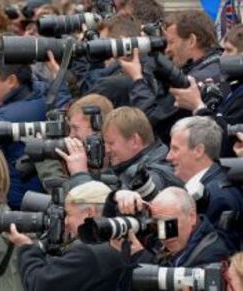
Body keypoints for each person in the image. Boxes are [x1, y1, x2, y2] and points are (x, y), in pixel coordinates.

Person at [120, 10, 222, 143]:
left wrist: (137, 79)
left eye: (171, 42)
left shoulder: (193, 82)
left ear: (191, 41)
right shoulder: (215, 65)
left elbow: (150, 122)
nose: (166, 49)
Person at [8, 180, 128, 291]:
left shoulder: (89, 253)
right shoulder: (120, 242)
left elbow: (39, 285)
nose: (65, 221)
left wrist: (26, 248)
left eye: (69, 214)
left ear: (89, 213)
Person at [0, 36, 48, 209]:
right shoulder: (43, 96)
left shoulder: (0, 122)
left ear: (11, 81)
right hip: (38, 201)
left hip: (17, 208)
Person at [62, 107, 182, 198]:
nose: (106, 150)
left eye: (111, 143)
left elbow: (103, 210)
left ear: (134, 141)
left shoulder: (156, 174)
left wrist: (80, 174)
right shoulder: (126, 167)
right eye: (105, 143)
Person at [167, 116, 243, 250]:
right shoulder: (209, 187)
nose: (168, 156)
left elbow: (215, 256)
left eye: (175, 149)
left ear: (198, 151)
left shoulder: (219, 197)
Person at [115, 187, 231, 267]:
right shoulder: (176, 236)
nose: (164, 234)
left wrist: (141, 257)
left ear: (191, 217)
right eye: (157, 225)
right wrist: (117, 197)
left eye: (169, 224)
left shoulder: (211, 255)